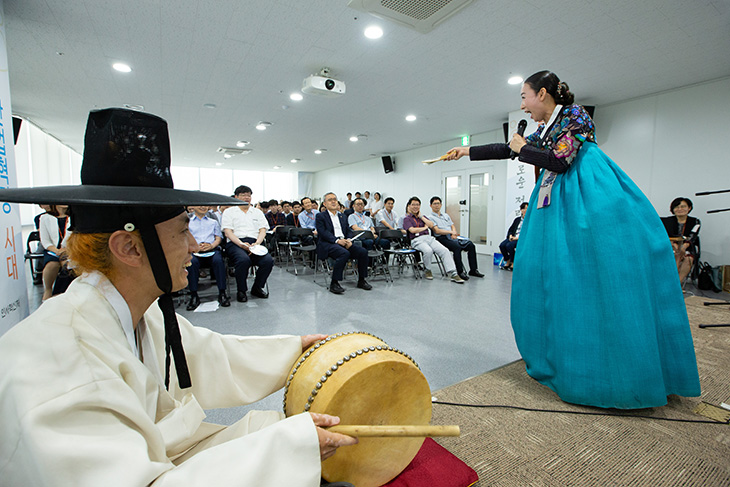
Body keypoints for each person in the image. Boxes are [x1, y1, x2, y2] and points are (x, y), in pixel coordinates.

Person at [0, 108, 356, 486]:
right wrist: (289, 447)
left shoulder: (133, 312)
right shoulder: (63, 368)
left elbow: (207, 352)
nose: (193, 244)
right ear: (131, 248)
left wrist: (298, 350)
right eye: (183, 230)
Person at [447, 70, 700, 409]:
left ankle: (615, 368)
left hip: (587, 192)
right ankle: (560, 355)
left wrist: (523, 150)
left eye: (524, 97)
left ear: (543, 94)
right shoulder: (545, 128)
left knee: (596, 273)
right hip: (557, 200)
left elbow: (562, 160)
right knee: (550, 275)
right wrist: (465, 152)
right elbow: (510, 149)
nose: (522, 106)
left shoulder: (575, 115)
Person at [222, 185, 274, 302]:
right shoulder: (229, 212)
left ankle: (257, 287)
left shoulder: (257, 212)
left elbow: (263, 230)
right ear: (236, 197)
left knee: (268, 261)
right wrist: (241, 244)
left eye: (249, 195)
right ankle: (241, 290)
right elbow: (228, 232)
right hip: (235, 243)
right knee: (243, 260)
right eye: (243, 195)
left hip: (254, 243)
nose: (247, 197)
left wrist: (256, 244)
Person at [315, 192, 372, 295]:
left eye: (335, 199)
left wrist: (349, 239)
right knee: (344, 253)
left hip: (344, 242)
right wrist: (337, 240)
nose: (333, 201)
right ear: (324, 204)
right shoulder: (320, 216)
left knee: (363, 252)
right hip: (328, 244)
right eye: (330, 200)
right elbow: (323, 233)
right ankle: (334, 283)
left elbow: (348, 230)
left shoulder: (343, 216)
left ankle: (362, 280)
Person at [402, 197, 464, 283]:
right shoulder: (407, 219)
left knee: (445, 250)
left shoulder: (423, 217)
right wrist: (424, 228)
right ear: (409, 206)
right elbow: (412, 230)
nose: (415, 207)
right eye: (413, 205)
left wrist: (421, 217)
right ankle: (427, 270)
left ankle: (453, 273)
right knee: (428, 251)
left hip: (429, 238)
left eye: (417, 205)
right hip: (416, 240)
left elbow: (431, 225)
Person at [428, 196, 483, 280]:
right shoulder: (429, 218)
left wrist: (453, 233)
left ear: (441, 205)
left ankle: (473, 270)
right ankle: (459, 272)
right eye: (434, 204)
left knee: (471, 245)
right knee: (457, 247)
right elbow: (437, 231)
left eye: (438, 203)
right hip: (441, 239)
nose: (437, 205)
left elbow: (452, 225)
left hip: (451, 236)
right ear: (430, 205)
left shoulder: (445, 215)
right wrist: (451, 232)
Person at [186, 206, 230, 310]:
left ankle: (222, 293)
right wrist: (196, 247)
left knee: (218, 261)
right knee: (191, 262)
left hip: (212, 249)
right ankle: (194, 295)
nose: (203, 207)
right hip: (195, 251)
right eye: (200, 205)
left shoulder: (213, 222)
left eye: (205, 205)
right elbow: (185, 239)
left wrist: (211, 246)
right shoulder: (188, 222)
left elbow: (218, 237)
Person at [661, 197, 701, 283]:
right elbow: (664, 236)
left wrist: (683, 247)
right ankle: (671, 282)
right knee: (676, 254)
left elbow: (692, 237)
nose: (680, 209)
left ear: (689, 208)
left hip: (687, 247)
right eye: (677, 207)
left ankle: (678, 283)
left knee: (688, 259)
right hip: (671, 247)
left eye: (683, 206)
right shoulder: (667, 221)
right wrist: (674, 245)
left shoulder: (695, 221)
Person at [38, 204, 72, 300]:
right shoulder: (44, 218)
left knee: (67, 265)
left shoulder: (74, 217)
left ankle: (60, 293)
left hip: (70, 250)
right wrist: (56, 250)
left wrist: (65, 249)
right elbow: (45, 241)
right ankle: (48, 291)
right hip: (52, 250)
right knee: (52, 265)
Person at [499, 203, 528, 271]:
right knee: (502, 245)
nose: (525, 210)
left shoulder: (529, 221)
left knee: (509, 246)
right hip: (513, 237)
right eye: (523, 208)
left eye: (527, 208)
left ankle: (513, 262)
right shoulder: (517, 219)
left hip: (521, 239)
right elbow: (511, 229)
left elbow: (528, 233)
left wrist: (517, 238)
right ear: (521, 210)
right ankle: (508, 260)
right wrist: (510, 236)